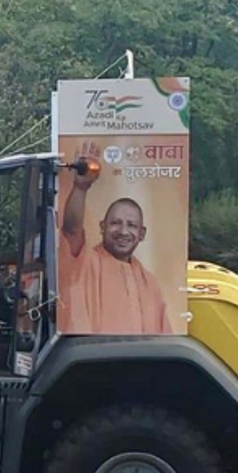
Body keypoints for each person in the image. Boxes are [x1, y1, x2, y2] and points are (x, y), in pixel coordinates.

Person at [58, 142, 171, 335]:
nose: (123, 231)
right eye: (116, 223)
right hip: (92, 360)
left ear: (142, 234)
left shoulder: (150, 282)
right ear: (102, 227)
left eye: (132, 225)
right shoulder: (85, 262)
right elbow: (71, 229)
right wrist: (80, 188)